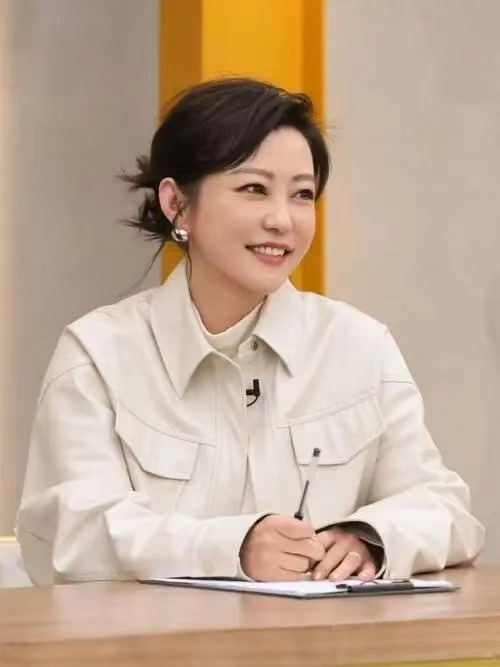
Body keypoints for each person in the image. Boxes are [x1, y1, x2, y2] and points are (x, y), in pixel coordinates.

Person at [16, 78, 484, 585]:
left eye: (302, 195)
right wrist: (233, 548)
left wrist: (369, 537)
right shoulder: (97, 356)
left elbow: (445, 508)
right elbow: (73, 539)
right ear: (176, 203)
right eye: (254, 189)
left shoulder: (361, 347)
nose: (283, 220)